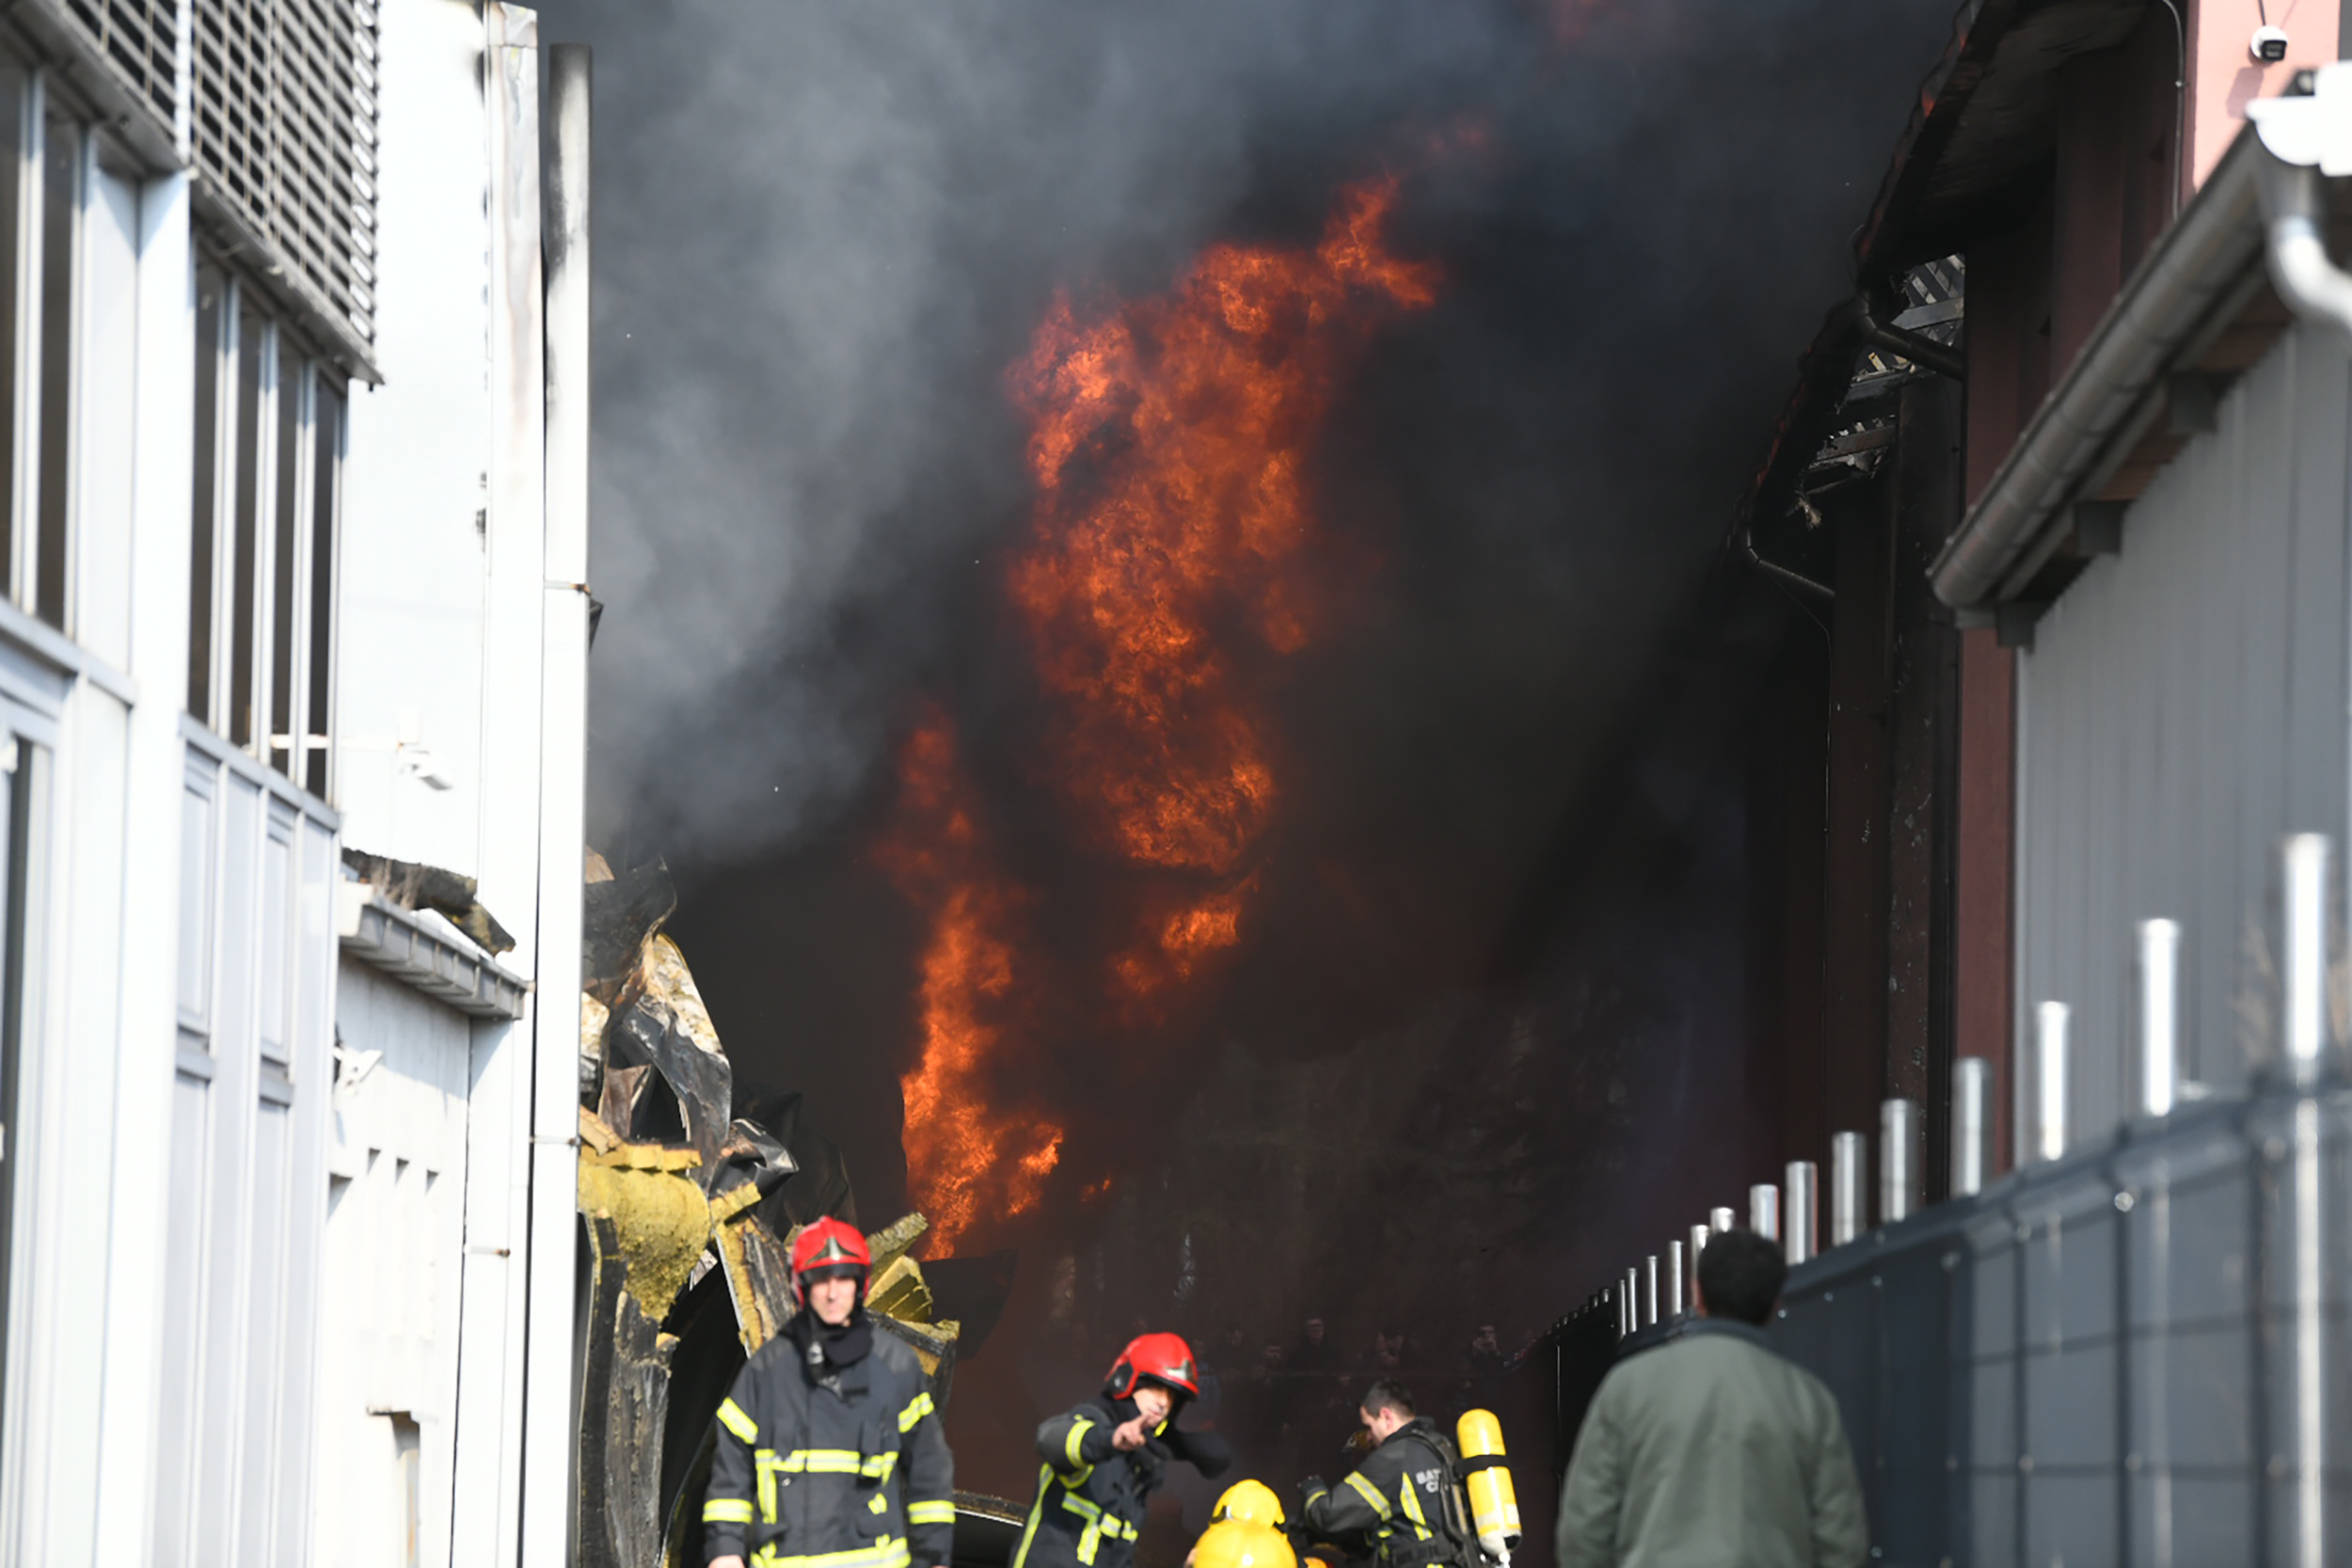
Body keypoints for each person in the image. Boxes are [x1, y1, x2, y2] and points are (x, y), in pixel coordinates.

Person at [1554, 1229, 1867, 1568]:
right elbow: (1841, 1541)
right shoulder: (1808, 1399)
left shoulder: (1628, 1385)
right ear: (1776, 1303)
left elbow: (1584, 1529)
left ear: (1697, 1293)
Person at [702, 1216, 955, 1568]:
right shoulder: (768, 1371)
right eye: (821, 1279)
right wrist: (725, 1550)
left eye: (844, 1279)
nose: (833, 1293)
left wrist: (934, 1552)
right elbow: (731, 1469)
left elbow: (928, 1465)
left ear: (861, 1285)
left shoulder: (894, 1366)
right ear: (801, 1287)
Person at [1014, 1331, 1233, 1568]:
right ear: (1127, 1381)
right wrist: (1110, 1440)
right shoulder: (1092, 1422)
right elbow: (1049, 1439)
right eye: (1156, 1389)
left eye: (1172, 1397)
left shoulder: (1138, 1465)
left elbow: (1118, 1557)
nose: (1163, 1402)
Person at [1296, 1380, 1465, 1568]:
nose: (1368, 1436)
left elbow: (1329, 1515)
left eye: (1368, 1426)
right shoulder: (1444, 1448)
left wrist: (1313, 1490)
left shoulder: (1392, 1458)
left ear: (1386, 1417)